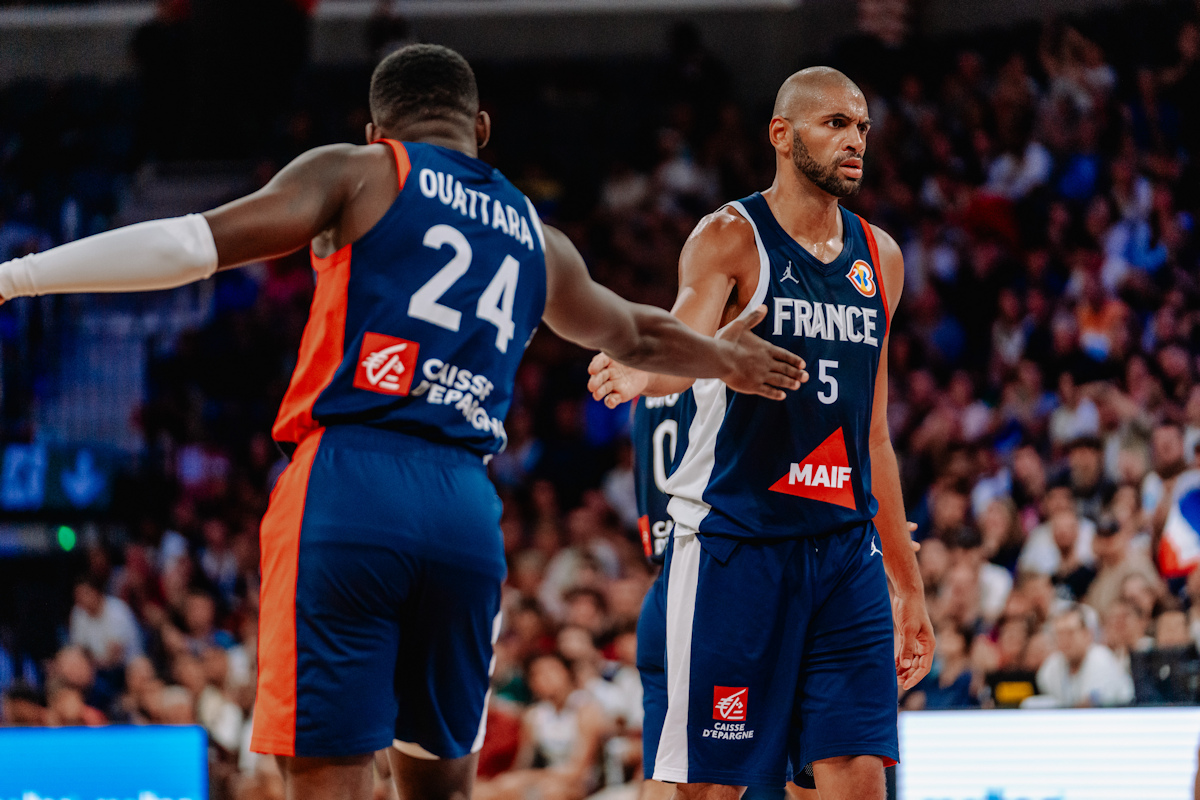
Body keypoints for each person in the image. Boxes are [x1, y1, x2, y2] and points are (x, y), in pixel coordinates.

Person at [0, 44, 806, 800]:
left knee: (330, 770)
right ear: (480, 128)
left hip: (348, 483)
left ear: (375, 130)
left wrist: (19, 277)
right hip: (464, 510)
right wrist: (725, 359)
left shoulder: (361, 173)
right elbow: (635, 331)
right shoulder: (536, 235)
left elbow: (190, 244)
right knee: (439, 784)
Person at [588, 66, 933, 800]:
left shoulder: (882, 258)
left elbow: (874, 435)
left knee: (857, 777)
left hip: (844, 551)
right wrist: (642, 370)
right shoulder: (731, 237)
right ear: (782, 134)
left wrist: (909, 585)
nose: (855, 141)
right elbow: (683, 340)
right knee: (710, 789)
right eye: (835, 124)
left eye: (862, 127)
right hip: (737, 545)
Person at [1035, 604, 1133, 708]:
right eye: (1059, 634)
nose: (1064, 640)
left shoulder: (1101, 659)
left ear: (1087, 634)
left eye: (1070, 633)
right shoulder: (1053, 664)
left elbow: (1087, 708)